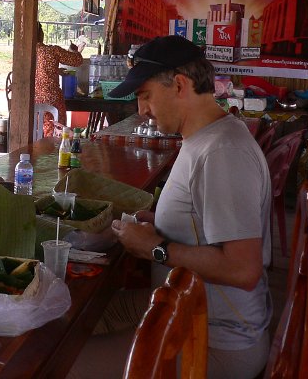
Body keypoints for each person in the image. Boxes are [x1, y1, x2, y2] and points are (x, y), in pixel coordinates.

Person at [68, 35, 272, 379]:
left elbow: (243, 270)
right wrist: (162, 221)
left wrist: (156, 248)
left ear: (179, 85)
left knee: (61, 365)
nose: (141, 109)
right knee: (74, 318)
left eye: (145, 95)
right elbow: (204, 224)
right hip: (179, 306)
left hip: (211, 340)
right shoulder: (205, 137)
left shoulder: (223, 152)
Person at [35, 22, 83, 136]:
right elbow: (77, 61)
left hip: (31, 100)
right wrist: (74, 50)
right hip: (51, 100)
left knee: (34, 134)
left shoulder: (22, 53)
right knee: (55, 134)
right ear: (41, 34)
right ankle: (53, 152)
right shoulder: (51, 51)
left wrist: (55, 71)